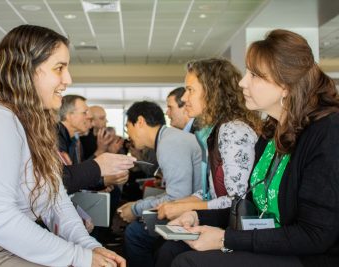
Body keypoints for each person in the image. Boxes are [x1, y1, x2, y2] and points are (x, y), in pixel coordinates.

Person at [0, 24, 128, 267]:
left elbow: (55, 199)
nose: (68, 79)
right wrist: (80, 257)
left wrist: (88, 246)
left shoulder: (26, 122)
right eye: (59, 68)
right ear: (25, 70)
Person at [156, 29, 339, 267]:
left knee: (187, 262)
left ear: (285, 84)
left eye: (254, 75)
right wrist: (195, 215)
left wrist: (225, 238)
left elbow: (315, 236)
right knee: (172, 249)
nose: (242, 82)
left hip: (308, 257)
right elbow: (246, 205)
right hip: (275, 244)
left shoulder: (327, 133)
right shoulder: (271, 131)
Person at [157, 58, 261, 221]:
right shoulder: (216, 129)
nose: (184, 98)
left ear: (212, 92)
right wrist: (176, 204)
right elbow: (211, 191)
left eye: (190, 90)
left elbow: (237, 201)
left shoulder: (232, 130)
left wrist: (185, 207)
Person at [118, 101, 202, 267]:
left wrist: (135, 209)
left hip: (198, 212)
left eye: (128, 128)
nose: (129, 135)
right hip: (194, 204)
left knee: (135, 233)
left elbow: (177, 197)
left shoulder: (169, 143)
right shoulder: (169, 137)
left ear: (140, 121)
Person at [57, 95, 131, 195]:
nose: (88, 117)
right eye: (84, 113)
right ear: (69, 115)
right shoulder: (56, 139)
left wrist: (100, 184)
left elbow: (77, 175)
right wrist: (103, 181)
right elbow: (64, 181)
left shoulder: (73, 140)